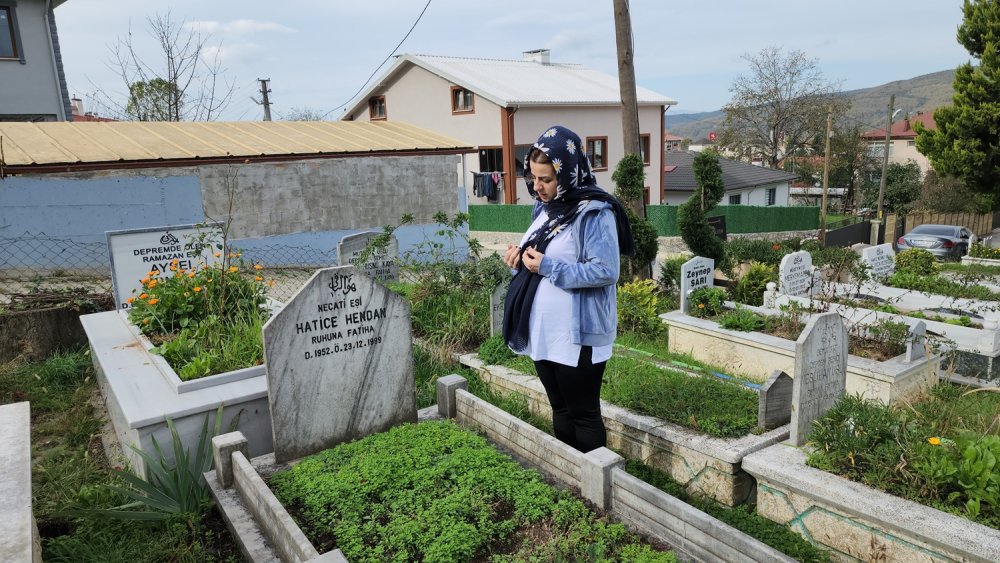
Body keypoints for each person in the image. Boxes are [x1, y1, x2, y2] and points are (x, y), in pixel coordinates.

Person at [502, 125, 634, 453]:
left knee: (583, 413)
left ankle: (595, 492)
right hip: (544, 331)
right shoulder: (544, 209)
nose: (538, 187)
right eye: (533, 178)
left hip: (579, 334)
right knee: (559, 409)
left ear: (568, 172)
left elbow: (606, 271)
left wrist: (546, 266)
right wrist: (520, 259)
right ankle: (572, 480)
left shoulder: (594, 212)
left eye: (546, 179)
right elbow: (540, 257)